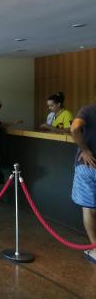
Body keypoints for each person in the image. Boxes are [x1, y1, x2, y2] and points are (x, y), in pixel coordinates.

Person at [70, 103, 96, 264]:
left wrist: (85, 150)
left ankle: (95, 250)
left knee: (89, 209)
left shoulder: (88, 110)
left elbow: (74, 129)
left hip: (88, 166)